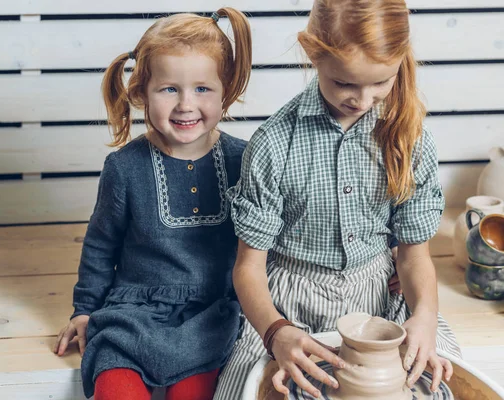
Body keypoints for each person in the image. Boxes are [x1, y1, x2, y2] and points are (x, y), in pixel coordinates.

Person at [213, 1, 462, 399]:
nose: (362, 100)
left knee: (443, 379)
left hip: (381, 301)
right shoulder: (274, 144)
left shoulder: (410, 138)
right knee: (243, 391)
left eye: (381, 82)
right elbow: (248, 269)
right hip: (288, 307)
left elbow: (415, 258)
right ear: (312, 54)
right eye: (344, 83)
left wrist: (424, 317)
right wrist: (277, 333)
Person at [53, 8, 252, 400]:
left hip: (210, 316)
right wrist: (83, 310)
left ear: (225, 90)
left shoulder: (244, 161)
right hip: (132, 313)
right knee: (114, 383)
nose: (185, 104)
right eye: (169, 89)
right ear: (141, 93)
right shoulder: (124, 168)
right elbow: (100, 243)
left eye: (202, 88)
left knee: (194, 391)